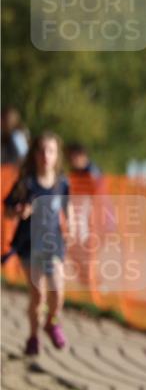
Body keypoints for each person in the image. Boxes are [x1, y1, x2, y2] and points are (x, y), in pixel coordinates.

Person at [3, 131, 72, 356]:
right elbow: (8, 210)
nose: (45, 155)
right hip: (29, 245)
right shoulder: (26, 183)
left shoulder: (61, 182)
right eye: (41, 150)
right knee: (38, 295)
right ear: (34, 154)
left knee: (58, 291)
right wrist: (18, 211)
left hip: (53, 244)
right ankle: (33, 337)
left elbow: (67, 206)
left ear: (57, 155)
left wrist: (71, 226)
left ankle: (51, 323)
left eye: (50, 151)